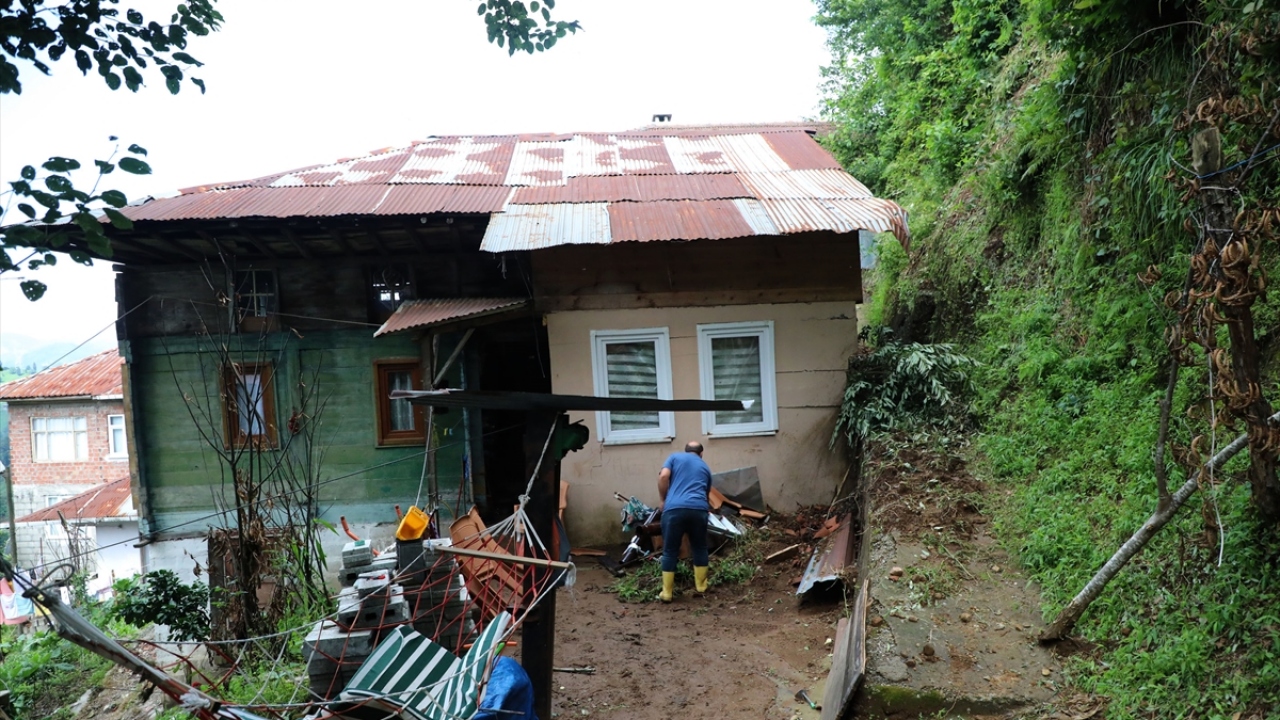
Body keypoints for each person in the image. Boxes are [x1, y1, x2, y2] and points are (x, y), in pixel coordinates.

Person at [656, 441, 712, 602]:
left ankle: (667, 593)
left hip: (674, 510)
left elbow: (664, 476)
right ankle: (701, 587)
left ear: (686, 451)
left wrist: (662, 500)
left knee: (670, 550)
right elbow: (706, 495)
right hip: (699, 510)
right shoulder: (705, 467)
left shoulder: (674, 457)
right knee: (700, 547)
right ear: (701, 454)